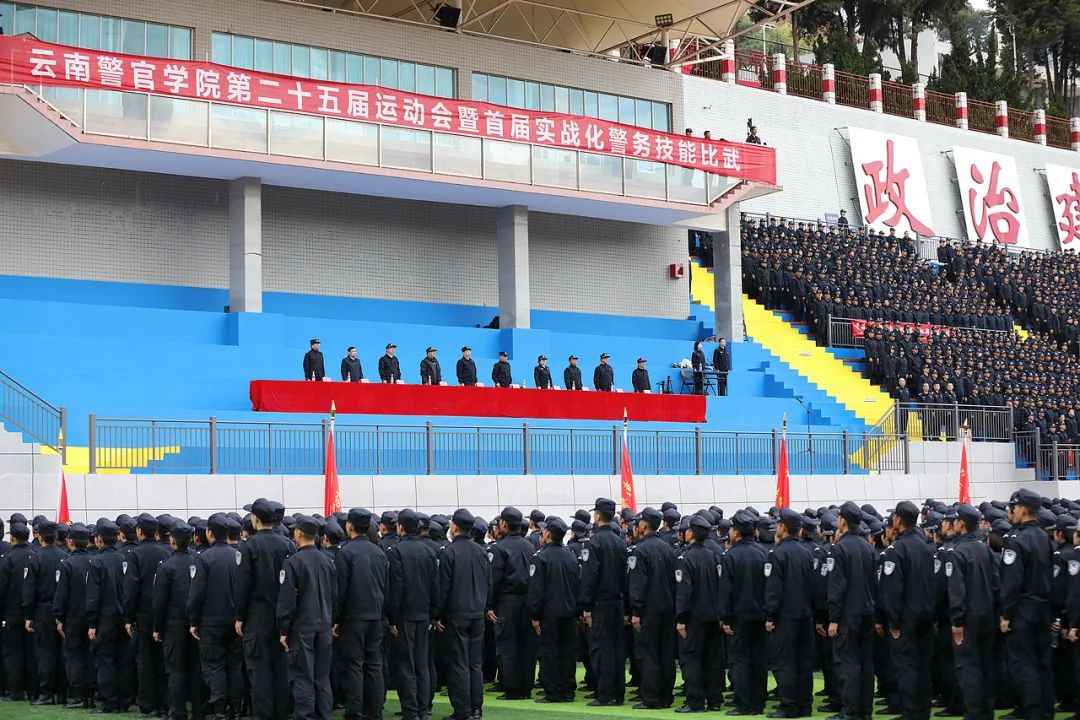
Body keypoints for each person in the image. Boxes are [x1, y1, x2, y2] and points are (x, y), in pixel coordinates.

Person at [999, 488, 1055, 720]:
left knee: (1024, 664)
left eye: (1012, 507)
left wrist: (1006, 614)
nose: (1009, 512)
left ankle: (1033, 712)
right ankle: (1045, 710)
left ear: (1022, 509)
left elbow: (1011, 582)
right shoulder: (1043, 536)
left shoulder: (1015, 539)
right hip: (1043, 607)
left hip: (1022, 609)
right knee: (1043, 663)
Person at [235, 499, 293, 720]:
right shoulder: (287, 545)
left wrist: (239, 616)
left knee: (259, 673)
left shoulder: (249, 546)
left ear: (256, 519)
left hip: (257, 618)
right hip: (282, 617)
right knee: (280, 672)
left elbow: (243, 585)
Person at [878, 500, 935, 720]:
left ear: (899, 520)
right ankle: (923, 710)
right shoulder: (926, 547)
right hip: (925, 615)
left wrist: (893, 621)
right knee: (923, 666)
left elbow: (892, 590)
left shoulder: (896, 549)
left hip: (906, 618)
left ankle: (911, 712)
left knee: (907, 667)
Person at [434, 509, 491, 720]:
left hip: (457, 614)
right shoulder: (481, 551)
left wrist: (437, 614)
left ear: (455, 527)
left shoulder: (449, 552)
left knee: (458, 663)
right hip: (477, 613)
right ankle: (476, 709)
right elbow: (489, 584)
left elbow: (443, 588)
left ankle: (462, 711)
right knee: (475, 663)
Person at [278, 516, 337, 720]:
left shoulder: (293, 562)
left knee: (302, 677)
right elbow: (334, 596)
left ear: (299, 533)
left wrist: (283, 629)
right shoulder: (327, 561)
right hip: (324, 626)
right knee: (322, 678)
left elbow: (287, 601)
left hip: (302, 628)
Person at [188, 514, 244, 720]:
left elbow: (196, 594)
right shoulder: (238, 555)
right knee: (234, 665)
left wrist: (193, 620)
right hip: (235, 621)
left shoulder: (204, 558)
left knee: (214, 666)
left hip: (211, 623)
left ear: (209, 533)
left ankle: (220, 709)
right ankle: (236, 708)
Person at [946, 503, 999, 720]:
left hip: (968, 618)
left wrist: (957, 621)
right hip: (987, 615)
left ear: (962, 523)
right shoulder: (984, 549)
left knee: (968, 668)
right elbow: (996, 584)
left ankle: (975, 714)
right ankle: (986, 712)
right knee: (986, 666)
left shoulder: (957, 552)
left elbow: (957, 590)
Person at [334, 508, 388, 720]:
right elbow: (386, 587)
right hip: (376, 615)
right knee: (374, 665)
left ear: (350, 526)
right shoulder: (379, 552)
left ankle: (354, 712)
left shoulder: (346, 552)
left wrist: (336, 619)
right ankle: (374, 712)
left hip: (353, 618)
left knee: (354, 665)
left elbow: (340, 590)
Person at [826, 502, 878, 720]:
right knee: (865, 664)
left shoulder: (839, 548)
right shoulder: (868, 547)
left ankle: (849, 711)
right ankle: (864, 711)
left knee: (847, 663)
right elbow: (874, 583)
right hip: (867, 612)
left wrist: (834, 617)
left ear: (843, 521)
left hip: (848, 614)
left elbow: (837, 586)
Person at [386, 509, 439, 720]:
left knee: (406, 664)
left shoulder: (395, 551)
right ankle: (423, 709)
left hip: (405, 616)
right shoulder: (429, 551)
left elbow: (395, 588)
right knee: (422, 664)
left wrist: (392, 618)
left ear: (401, 527)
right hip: (424, 615)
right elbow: (436, 585)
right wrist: (434, 614)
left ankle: (411, 710)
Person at [764, 508, 815, 718]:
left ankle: (788, 706)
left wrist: (770, 615)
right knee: (804, 662)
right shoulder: (806, 552)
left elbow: (773, 589)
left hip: (785, 617)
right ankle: (804, 705)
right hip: (805, 615)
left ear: (783, 527)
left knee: (785, 662)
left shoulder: (777, 554)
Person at [153, 522, 206, 720]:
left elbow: (160, 601)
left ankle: (178, 711)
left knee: (175, 669)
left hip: (173, 624)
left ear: (172, 540)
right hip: (196, 624)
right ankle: (199, 711)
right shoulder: (199, 561)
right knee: (196, 668)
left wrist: (157, 627)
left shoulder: (167, 566)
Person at [719, 509, 768, 715]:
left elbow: (726, 590)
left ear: (737, 532)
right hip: (761, 615)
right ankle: (758, 702)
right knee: (759, 659)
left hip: (739, 616)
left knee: (740, 660)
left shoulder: (730, 556)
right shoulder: (763, 553)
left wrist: (725, 617)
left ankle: (744, 704)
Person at [526, 516, 580, 704]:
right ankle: (568, 690)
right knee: (567, 653)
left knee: (550, 652)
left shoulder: (540, 558)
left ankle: (553, 692)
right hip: (569, 613)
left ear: (547, 534)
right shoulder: (571, 556)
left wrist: (535, 615)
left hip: (549, 613)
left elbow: (536, 590)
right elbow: (577, 585)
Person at [628, 506, 677, 710]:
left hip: (649, 610)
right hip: (668, 608)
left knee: (649, 654)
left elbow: (638, 584)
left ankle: (652, 698)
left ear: (644, 524)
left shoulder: (640, 550)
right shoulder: (668, 548)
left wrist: (636, 611)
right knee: (666, 654)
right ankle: (666, 696)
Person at [675, 514, 724, 713]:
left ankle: (695, 701)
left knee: (691, 659)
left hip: (694, 617)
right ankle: (714, 700)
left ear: (692, 533)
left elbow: (684, 591)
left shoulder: (685, 558)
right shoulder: (713, 555)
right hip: (712, 616)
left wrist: (681, 619)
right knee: (712, 659)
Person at [123, 514, 171, 717]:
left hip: (143, 614)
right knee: (162, 661)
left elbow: (131, 589)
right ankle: (163, 704)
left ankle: (148, 706)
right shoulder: (166, 552)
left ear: (139, 531)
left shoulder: (135, 555)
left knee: (144, 661)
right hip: (164, 614)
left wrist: (128, 618)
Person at [579, 498, 625, 707]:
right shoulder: (620, 542)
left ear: (597, 515)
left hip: (600, 603)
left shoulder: (594, 542)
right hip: (618, 602)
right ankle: (618, 693)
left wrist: (586, 605)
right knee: (617, 649)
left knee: (601, 649)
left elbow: (590, 576)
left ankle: (605, 694)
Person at [486, 507, 535, 701]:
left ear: (504, 524)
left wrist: (489, 605)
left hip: (507, 601)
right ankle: (526, 687)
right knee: (526, 645)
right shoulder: (529, 546)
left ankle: (513, 688)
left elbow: (494, 579)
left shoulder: (498, 548)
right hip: (528, 600)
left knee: (508, 645)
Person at [85, 520, 128, 712]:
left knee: (105, 661)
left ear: (99, 539)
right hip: (123, 616)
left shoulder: (96, 562)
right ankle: (123, 701)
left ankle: (109, 702)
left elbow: (93, 596)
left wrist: (92, 623)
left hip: (105, 618)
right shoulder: (124, 559)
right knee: (123, 661)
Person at [23, 520, 67, 706]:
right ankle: (62, 693)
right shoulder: (65, 556)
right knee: (62, 652)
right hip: (62, 610)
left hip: (42, 610)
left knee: (44, 653)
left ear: (39, 536)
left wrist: (28, 616)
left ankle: (46, 693)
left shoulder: (35, 557)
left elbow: (29, 589)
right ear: (56, 536)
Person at [54, 523, 94, 709]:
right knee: (90, 655)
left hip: (73, 618)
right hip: (92, 617)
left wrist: (59, 617)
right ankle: (91, 696)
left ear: (70, 541)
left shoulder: (67, 564)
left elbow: (62, 594)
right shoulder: (95, 561)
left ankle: (78, 696)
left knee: (74, 656)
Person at [0, 521, 35, 701]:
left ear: (12, 538)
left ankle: (15, 691)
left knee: (13, 653)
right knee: (31, 651)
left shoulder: (8, 559)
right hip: (32, 612)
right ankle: (33, 690)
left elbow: (2, 588)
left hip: (12, 612)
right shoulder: (35, 556)